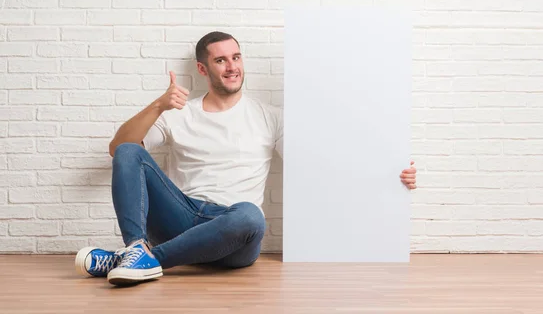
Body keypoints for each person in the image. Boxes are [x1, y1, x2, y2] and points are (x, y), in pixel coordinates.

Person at [74, 31, 418, 286]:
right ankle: (135, 248)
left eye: (236, 57)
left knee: (251, 215)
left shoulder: (268, 116)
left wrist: (389, 173)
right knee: (131, 150)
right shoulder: (180, 114)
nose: (231, 66)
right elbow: (117, 148)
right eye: (221, 60)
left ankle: (138, 260)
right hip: (181, 219)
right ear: (203, 68)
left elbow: (319, 166)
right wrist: (158, 105)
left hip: (234, 235)